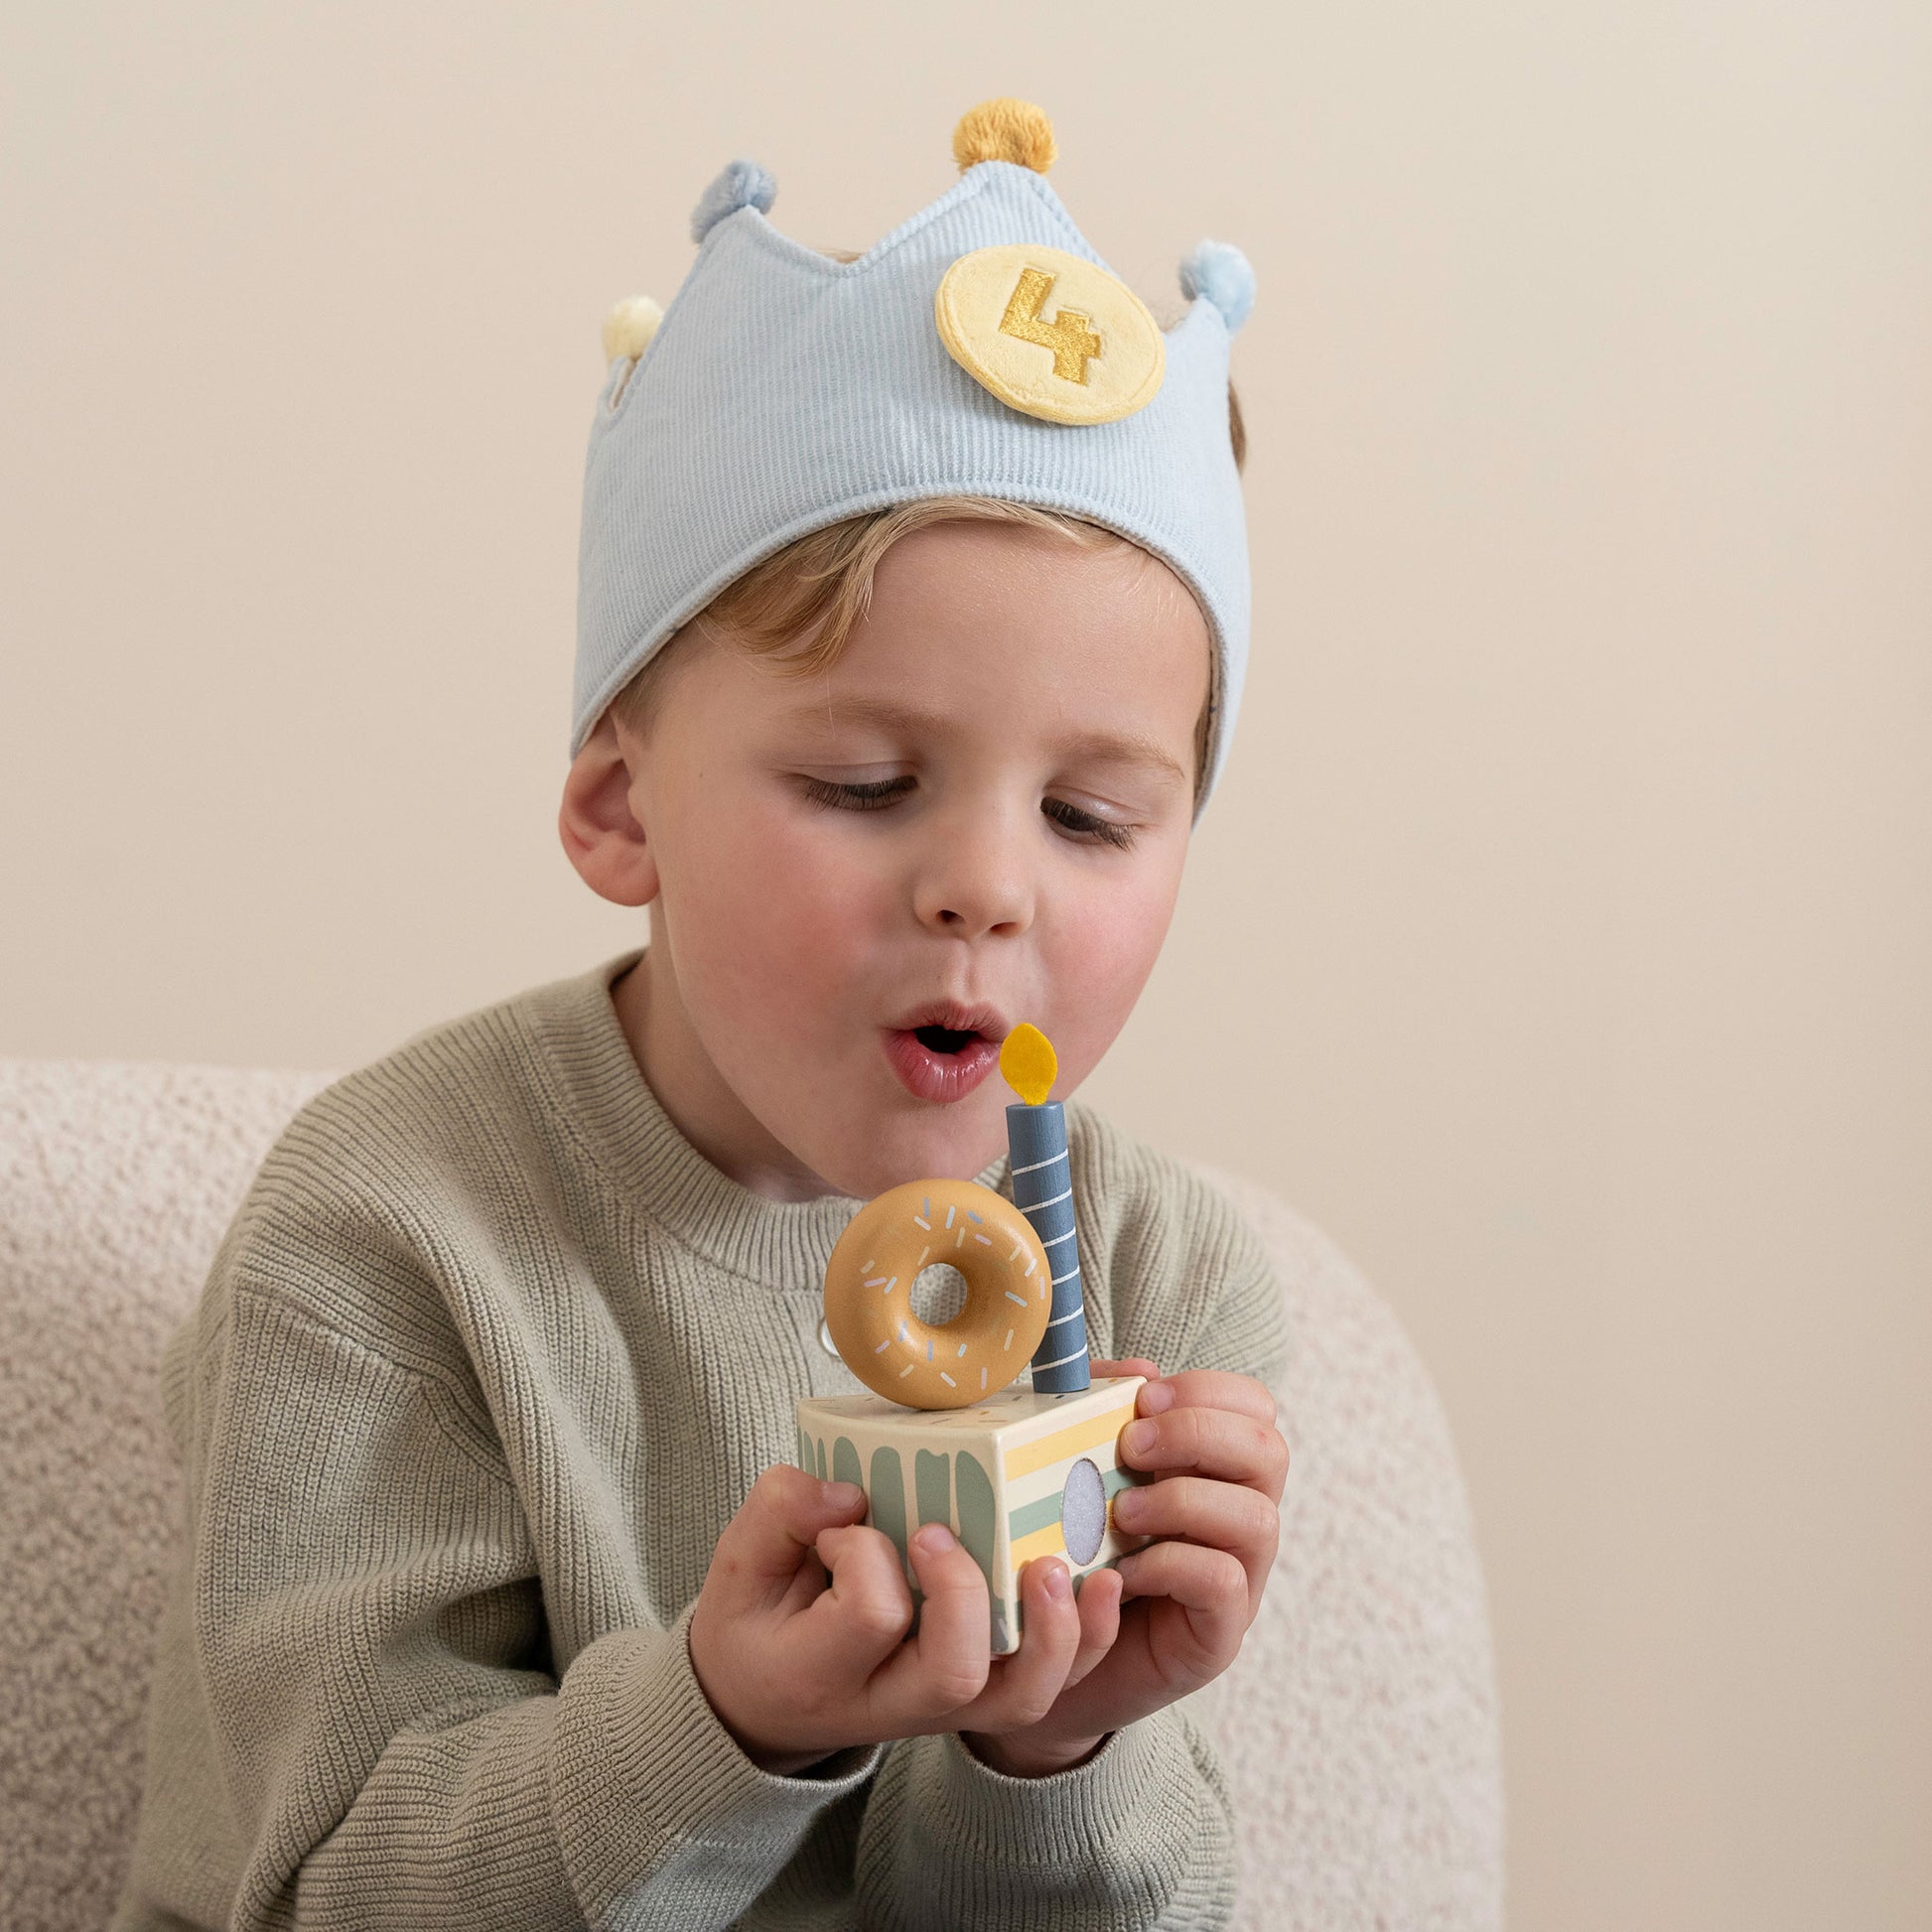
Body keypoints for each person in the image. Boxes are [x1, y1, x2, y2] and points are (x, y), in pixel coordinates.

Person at [113, 98, 1291, 1930]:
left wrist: (1055, 1742)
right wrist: (721, 1724)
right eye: (864, 784)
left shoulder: (1156, 1280)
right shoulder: (391, 1231)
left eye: (1088, 817)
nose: (986, 887)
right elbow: (324, 1884)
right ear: (621, 808)